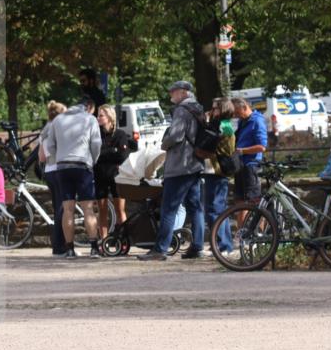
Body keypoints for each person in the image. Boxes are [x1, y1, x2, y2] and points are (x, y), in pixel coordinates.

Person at [138, 81, 205, 261]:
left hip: (179, 165)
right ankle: (197, 247)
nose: (170, 95)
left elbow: (175, 136)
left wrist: (163, 143)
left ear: (183, 92)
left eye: (173, 92)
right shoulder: (198, 109)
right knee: (195, 207)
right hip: (194, 164)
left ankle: (160, 249)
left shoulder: (182, 110)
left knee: (169, 208)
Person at [43, 96, 101, 258]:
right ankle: (94, 248)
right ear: (88, 107)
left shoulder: (57, 120)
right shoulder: (90, 119)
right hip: (83, 166)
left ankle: (69, 248)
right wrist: (93, 160)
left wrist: (59, 157)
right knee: (88, 208)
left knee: (67, 209)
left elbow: (50, 145)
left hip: (62, 167)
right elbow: (96, 144)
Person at [94, 105, 137, 245]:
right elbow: (94, 155)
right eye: (98, 115)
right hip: (100, 175)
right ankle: (104, 242)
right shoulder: (96, 134)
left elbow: (122, 156)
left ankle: (123, 240)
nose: (98, 118)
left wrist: (105, 153)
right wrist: (112, 151)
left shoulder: (120, 134)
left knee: (120, 210)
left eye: (101, 115)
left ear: (109, 117)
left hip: (116, 176)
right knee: (102, 211)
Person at [199, 98, 236, 255]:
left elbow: (211, 144)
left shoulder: (223, 126)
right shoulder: (221, 124)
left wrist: (207, 123)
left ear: (223, 109)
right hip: (212, 171)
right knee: (217, 209)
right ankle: (222, 243)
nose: (212, 111)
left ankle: (223, 245)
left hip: (218, 171)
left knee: (215, 209)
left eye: (215, 108)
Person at [39, 101, 68, 256]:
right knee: (63, 210)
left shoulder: (45, 129)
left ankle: (58, 246)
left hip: (49, 171)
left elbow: (41, 157)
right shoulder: (59, 128)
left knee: (58, 209)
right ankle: (60, 247)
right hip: (60, 170)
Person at [231, 97, 268, 204]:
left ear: (244, 107)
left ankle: (261, 216)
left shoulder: (257, 121)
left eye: (237, 112)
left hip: (251, 166)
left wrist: (242, 151)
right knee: (239, 200)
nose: (235, 116)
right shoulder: (242, 121)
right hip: (240, 164)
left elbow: (261, 147)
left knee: (252, 200)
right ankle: (241, 217)